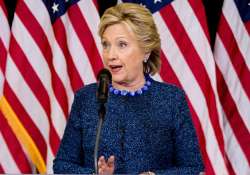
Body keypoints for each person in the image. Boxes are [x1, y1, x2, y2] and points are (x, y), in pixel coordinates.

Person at [53, 3, 204, 174]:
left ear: (146, 50)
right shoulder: (87, 98)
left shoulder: (171, 99)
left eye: (122, 45)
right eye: (106, 44)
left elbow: (193, 167)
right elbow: (62, 165)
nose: (111, 55)